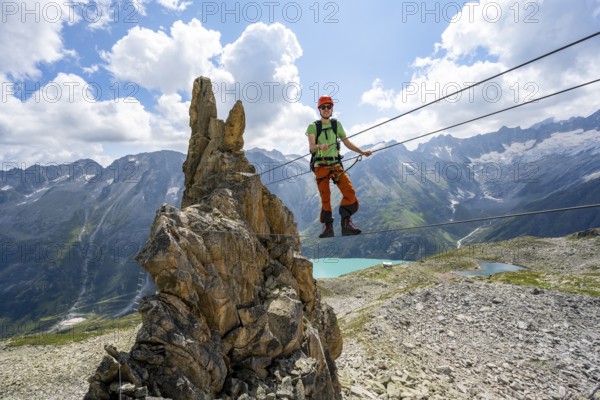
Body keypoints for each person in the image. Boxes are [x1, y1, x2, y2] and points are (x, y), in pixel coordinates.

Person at [306, 95, 372, 238]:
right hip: (321, 166)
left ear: (332, 109)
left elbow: (347, 142)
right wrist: (319, 146)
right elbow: (311, 148)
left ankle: (346, 223)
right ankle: (328, 227)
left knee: (349, 192)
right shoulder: (313, 126)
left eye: (328, 107)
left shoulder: (337, 125)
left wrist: (362, 152)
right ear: (319, 109)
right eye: (323, 107)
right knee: (325, 197)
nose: (326, 109)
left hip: (336, 164)